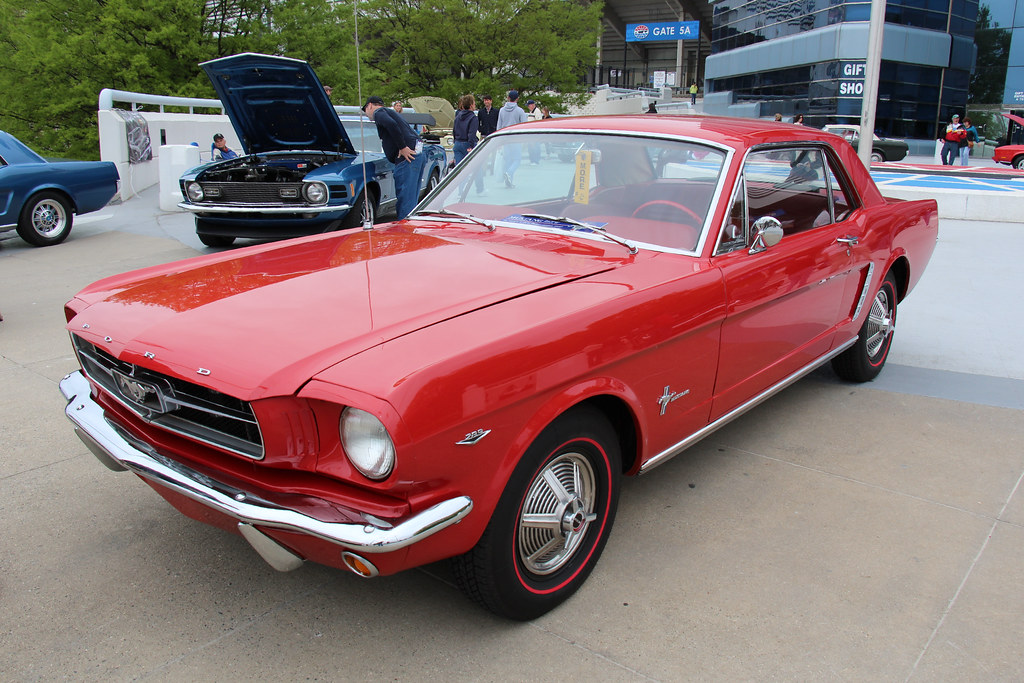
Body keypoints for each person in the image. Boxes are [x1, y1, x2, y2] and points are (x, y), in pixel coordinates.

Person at [362, 95, 424, 219]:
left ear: (370, 105)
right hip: (417, 154)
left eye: (365, 111)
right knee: (411, 199)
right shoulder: (390, 112)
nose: (367, 115)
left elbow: (391, 125)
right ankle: (410, 229)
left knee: (405, 200)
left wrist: (402, 147)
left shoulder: (378, 113)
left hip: (407, 159)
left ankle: (404, 232)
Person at [496, 89, 527, 187]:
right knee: (517, 159)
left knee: (508, 160)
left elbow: (499, 126)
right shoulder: (520, 111)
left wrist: (499, 140)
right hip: (516, 139)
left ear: (508, 98)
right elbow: (524, 126)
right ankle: (509, 174)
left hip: (505, 139)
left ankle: (508, 182)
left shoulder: (501, 110)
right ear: (517, 99)